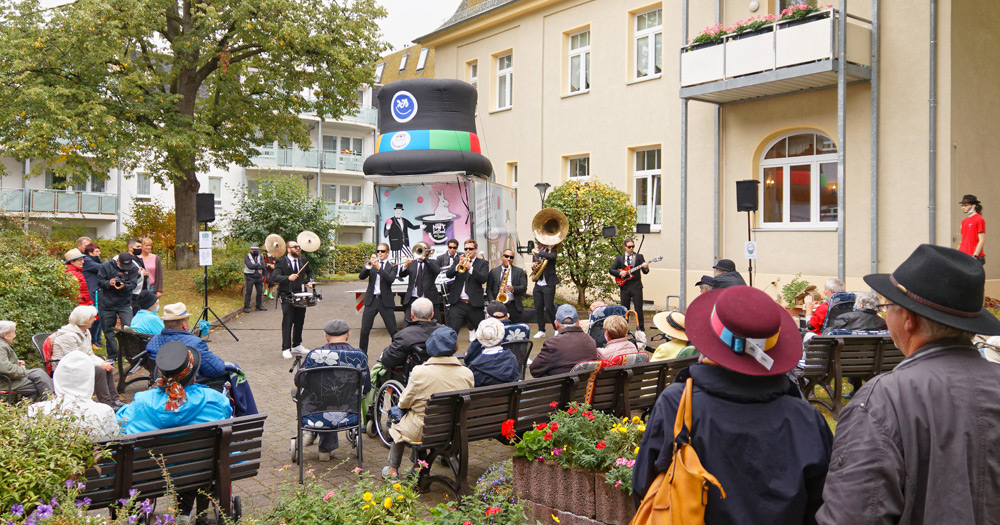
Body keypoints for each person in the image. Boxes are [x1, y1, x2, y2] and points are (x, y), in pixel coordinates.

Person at [817, 244, 1000, 524]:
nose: (885, 317)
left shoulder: (884, 400)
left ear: (909, 319)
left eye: (887, 307)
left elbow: (853, 516)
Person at [633, 286, 833, 522]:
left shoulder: (677, 403)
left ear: (711, 338)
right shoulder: (807, 419)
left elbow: (643, 485)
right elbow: (822, 503)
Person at [117, 342, 232, 524]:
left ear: (161, 374)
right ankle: (195, 514)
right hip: (202, 471)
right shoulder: (216, 401)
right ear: (193, 374)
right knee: (198, 460)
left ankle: (182, 514)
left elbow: (121, 426)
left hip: (150, 475)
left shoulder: (139, 403)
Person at [383, 327, 474, 479]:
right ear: (454, 348)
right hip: (454, 429)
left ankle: (393, 470)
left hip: (423, 430)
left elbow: (404, 403)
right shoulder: (466, 373)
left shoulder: (420, 372)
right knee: (418, 416)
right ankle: (417, 465)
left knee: (399, 420)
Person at [296, 319, 371, 462]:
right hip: (349, 412)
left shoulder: (315, 355)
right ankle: (324, 447)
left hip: (315, 412)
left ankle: (315, 437)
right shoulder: (359, 356)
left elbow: (299, 381)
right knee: (335, 398)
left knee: (319, 397)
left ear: (325, 335)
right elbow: (366, 386)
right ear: (348, 334)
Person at [28, 350, 120, 440]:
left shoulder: (35, 411)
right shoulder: (105, 411)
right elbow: (113, 440)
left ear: (57, 377)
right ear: (90, 379)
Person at [49, 305, 121, 409]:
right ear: (84, 319)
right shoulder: (68, 336)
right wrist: (100, 364)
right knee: (100, 370)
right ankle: (106, 403)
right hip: (66, 369)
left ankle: (115, 400)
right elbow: (76, 360)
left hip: (79, 363)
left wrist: (103, 363)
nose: (94, 320)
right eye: (92, 317)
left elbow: (89, 353)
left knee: (107, 367)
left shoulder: (85, 332)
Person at [145, 303, 227, 380]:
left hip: (163, 383)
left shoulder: (153, 341)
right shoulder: (196, 344)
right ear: (184, 324)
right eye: (188, 320)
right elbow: (217, 370)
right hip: (189, 387)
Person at [272, 239, 316, 359]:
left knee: (299, 320)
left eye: (299, 247)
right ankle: (286, 348)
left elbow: (310, 272)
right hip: (287, 295)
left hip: (301, 294)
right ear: (288, 249)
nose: (298, 249)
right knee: (288, 321)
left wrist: (311, 282)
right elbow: (274, 277)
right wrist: (288, 278)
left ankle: (297, 344)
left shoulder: (303, 260)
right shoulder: (281, 261)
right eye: (295, 247)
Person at [529, 304, 600, 378]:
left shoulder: (552, 344)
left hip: (558, 388)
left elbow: (534, 370)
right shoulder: (591, 341)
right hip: (585, 388)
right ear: (578, 323)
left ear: (556, 324)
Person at [97, 252, 140, 361]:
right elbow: (99, 282)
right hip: (107, 303)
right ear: (117, 261)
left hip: (124, 303)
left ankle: (128, 353)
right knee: (108, 330)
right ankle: (113, 356)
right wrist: (109, 283)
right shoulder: (106, 266)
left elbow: (133, 284)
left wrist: (124, 286)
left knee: (128, 328)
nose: (125, 268)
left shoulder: (133, 268)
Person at [377, 297, 439, 372]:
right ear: (432, 315)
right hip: (441, 374)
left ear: (412, 315)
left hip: (414, 376)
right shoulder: (445, 332)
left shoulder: (404, 335)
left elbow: (388, 360)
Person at [357, 243, 398, 354]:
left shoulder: (392, 265)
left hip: (386, 301)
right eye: (378, 251)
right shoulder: (372, 265)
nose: (380, 253)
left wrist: (379, 268)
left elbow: (390, 279)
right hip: (372, 300)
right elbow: (361, 276)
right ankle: (362, 354)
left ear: (388, 253)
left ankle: (397, 354)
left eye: (382, 251)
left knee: (393, 330)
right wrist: (368, 265)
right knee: (365, 330)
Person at [445, 239, 489, 340]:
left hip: (474, 304)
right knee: (452, 332)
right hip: (458, 303)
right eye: (466, 249)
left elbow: (483, 279)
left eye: (470, 249)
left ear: (475, 250)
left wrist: (470, 268)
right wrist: (457, 266)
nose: (467, 251)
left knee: (482, 332)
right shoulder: (458, 260)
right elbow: (448, 274)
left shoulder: (483, 263)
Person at [463, 301, 530, 366]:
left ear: (488, 316)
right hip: (513, 367)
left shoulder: (486, 333)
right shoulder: (523, 329)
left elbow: (469, 357)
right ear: (507, 316)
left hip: (487, 369)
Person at [0, 320, 53, 400]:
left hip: (10, 377)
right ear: (5, 335)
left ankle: (48, 403)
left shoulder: (2, 344)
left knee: (39, 373)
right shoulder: (1, 346)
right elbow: (4, 368)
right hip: (5, 382)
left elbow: (3, 362)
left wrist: (16, 362)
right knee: (38, 385)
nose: (15, 335)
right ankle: (51, 403)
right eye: (14, 332)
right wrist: (21, 370)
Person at [609, 239, 650, 331]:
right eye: (629, 247)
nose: (631, 248)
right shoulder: (620, 258)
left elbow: (645, 271)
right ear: (625, 247)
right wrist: (620, 273)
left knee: (638, 309)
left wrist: (646, 268)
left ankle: (640, 330)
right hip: (625, 287)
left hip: (636, 286)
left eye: (633, 246)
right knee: (624, 309)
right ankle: (624, 329)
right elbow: (611, 270)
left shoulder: (639, 257)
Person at [468, 317, 521, 386]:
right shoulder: (512, 359)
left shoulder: (474, 367)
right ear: (502, 337)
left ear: (479, 338)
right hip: (509, 396)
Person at [399, 242, 442, 320]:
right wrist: (405, 265)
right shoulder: (412, 263)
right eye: (419, 247)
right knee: (407, 324)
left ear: (427, 251)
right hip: (413, 298)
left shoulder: (432, 262)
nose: (420, 249)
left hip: (429, 298)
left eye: (423, 248)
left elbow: (437, 270)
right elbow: (401, 274)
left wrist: (424, 259)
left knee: (436, 322)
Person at [486, 249, 529, 323]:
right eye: (506, 256)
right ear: (502, 257)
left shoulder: (519, 271)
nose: (508, 259)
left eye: (511, 257)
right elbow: (489, 289)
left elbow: (524, 287)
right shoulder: (494, 271)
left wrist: (513, 288)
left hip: (514, 306)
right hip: (498, 306)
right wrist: (492, 301)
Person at [531, 242, 559, 338]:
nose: (537, 244)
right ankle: (541, 330)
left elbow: (552, 257)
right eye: (536, 242)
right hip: (538, 283)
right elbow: (535, 268)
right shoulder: (536, 252)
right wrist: (533, 266)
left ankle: (556, 328)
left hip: (549, 283)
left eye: (538, 242)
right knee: (538, 307)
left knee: (549, 307)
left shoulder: (551, 250)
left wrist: (538, 252)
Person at [81, 243, 104, 347]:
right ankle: (92, 341)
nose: (99, 253)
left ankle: (97, 339)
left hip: (99, 292)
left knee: (100, 317)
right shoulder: (87, 261)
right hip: (93, 292)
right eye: (96, 251)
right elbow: (102, 267)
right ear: (90, 253)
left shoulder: (97, 261)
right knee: (95, 317)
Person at [958, 194, 986, 264]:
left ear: (974, 206)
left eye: (966, 205)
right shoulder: (964, 221)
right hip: (963, 256)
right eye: (962, 205)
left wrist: (975, 255)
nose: (963, 207)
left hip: (974, 257)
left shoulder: (979, 219)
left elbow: (982, 240)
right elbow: (963, 240)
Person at [242, 242, 268, 313]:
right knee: (249, 291)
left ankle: (259, 306)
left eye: (256, 249)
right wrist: (258, 265)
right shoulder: (247, 257)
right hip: (250, 276)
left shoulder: (260, 257)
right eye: (253, 249)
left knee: (259, 292)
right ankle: (246, 307)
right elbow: (250, 266)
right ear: (250, 250)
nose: (255, 250)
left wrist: (256, 265)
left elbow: (263, 266)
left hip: (259, 276)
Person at [126, 238, 149, 315]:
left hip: (141, 291)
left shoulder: (138, 259)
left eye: (140, 247)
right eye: (138, 247)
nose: (140, 249)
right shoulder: (126, 260)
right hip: (132, 294)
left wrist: (144, 273)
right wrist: (138, 273)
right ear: (130, 247)